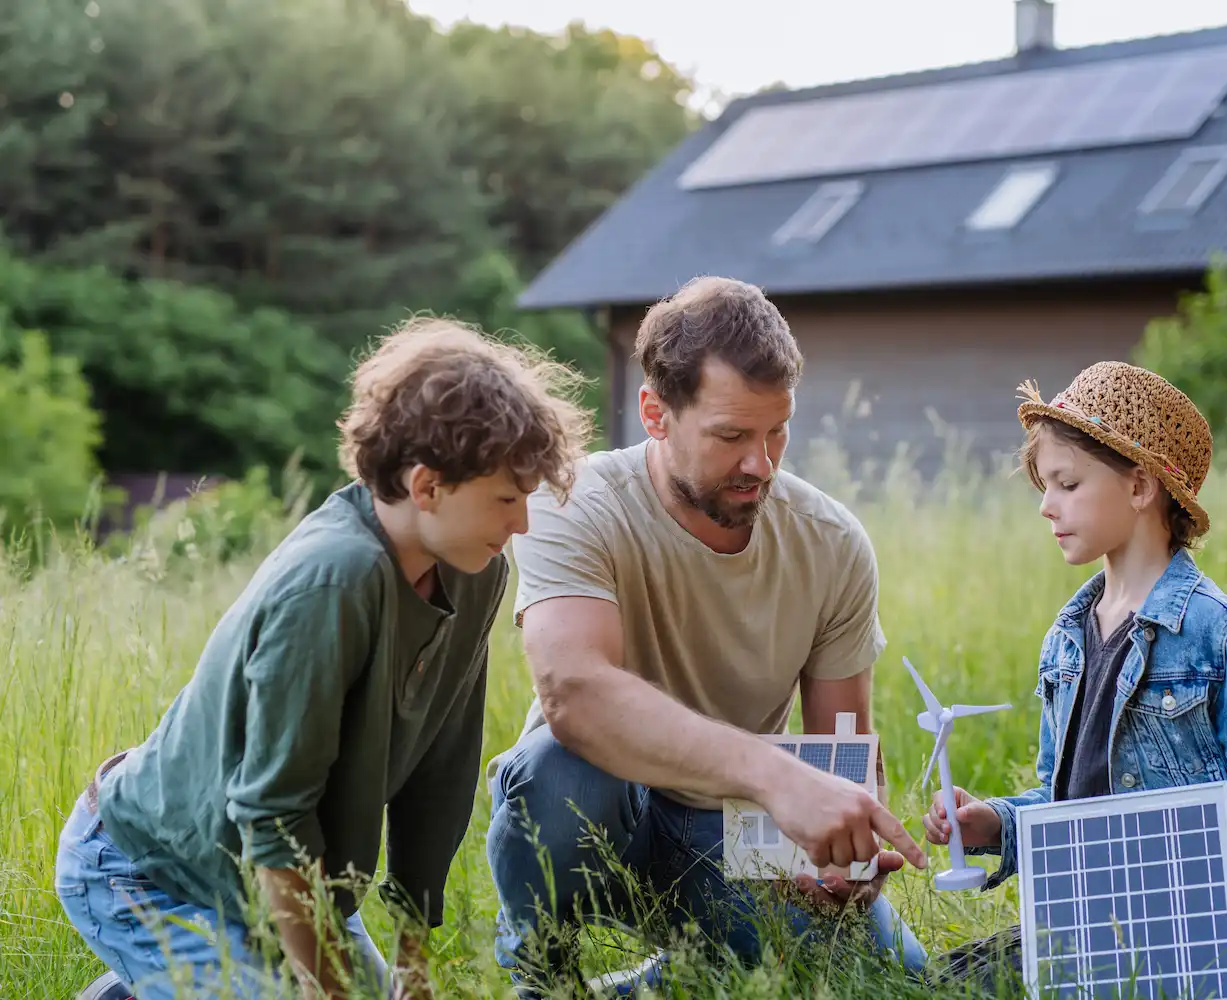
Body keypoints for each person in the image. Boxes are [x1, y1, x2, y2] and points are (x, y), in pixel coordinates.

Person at [53, 317, 593, 1000]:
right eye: (507, 499)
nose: (522, 525)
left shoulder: (477, 570)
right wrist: (324, 989)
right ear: (427, 487)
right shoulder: (333, 581)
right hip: (151, 873)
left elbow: (441, 772)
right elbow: (274, 814)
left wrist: (413, 954)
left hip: (290, 882)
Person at [484, 275, 930, 998]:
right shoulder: (571, 502)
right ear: (655, 414)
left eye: (777, 430)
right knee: (557, 770)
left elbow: (839, 750)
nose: (762, 463)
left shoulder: (832, 542)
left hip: (737, 827)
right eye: (731, 436)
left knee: (892, 980)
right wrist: (778, 776)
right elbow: (575, 695)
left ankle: (649, 986)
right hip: (604, 806)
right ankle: (542, 978)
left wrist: (840, 858)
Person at [922, 362, 1227, 1000]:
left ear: (1141, 486)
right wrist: (996, 824)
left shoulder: (1218, 635)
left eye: (1068, 483)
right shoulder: (1066, 637)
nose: (1045, 504)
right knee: (929, 983)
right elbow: (1072, 811)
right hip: (1091, 923)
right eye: (1044, 484)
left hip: (1193, 926)